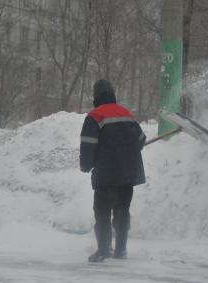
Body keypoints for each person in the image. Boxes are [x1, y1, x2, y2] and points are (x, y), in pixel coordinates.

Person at [80, 79, 146, 262]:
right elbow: (141, 139)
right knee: (122, 211)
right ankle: (121, 250)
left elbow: (88, 144)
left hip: (107, 174)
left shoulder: (95, 116)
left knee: (102, 211)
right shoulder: (126, 113)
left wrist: (86, 166)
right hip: (128, 174)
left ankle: (103, 250)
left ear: (96, 96)